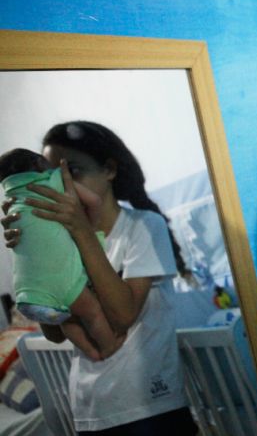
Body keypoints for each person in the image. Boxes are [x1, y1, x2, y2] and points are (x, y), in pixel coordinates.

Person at [1, 121, 197, 435]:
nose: (61, 183)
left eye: (72, 171)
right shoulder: (60, 240)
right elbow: (54, 333)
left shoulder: (143, 227)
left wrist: (81, 231)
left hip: (149, 406)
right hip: (89, 407)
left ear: (108, 170)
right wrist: (30, 253)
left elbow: (122, 316)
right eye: (49, 173)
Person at [0, 148, 121, 361]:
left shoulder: (12, 199)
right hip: (64, 291)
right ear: (40, 165)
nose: (59, 168)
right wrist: (89, 226)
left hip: (27, 295)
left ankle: (93, 353)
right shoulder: (54, 181)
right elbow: (94, 202)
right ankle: (109, 347)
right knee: (91, 312)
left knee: (68, 320)